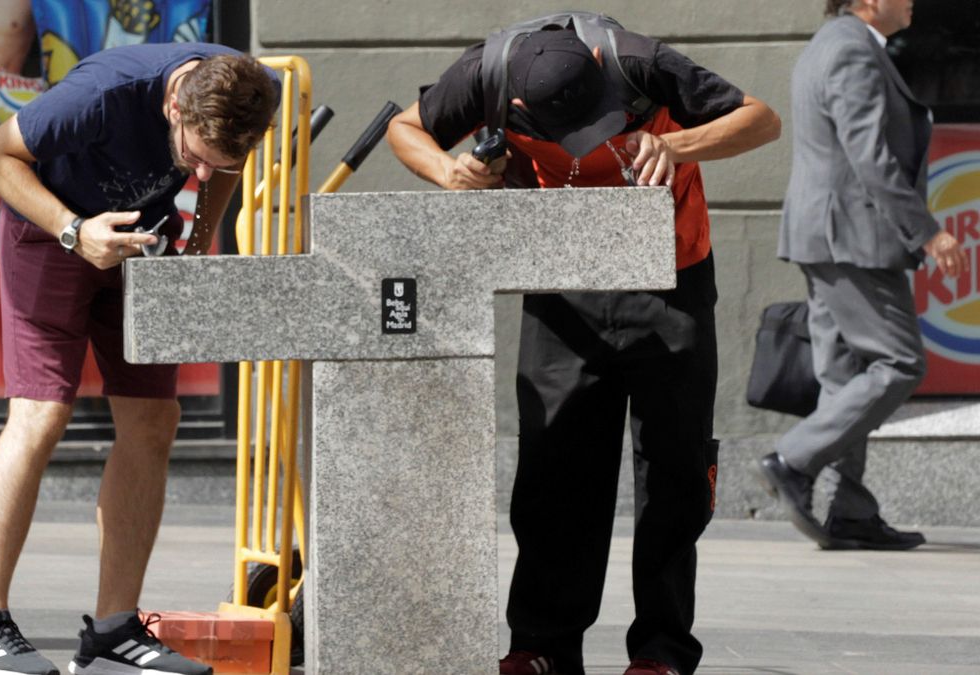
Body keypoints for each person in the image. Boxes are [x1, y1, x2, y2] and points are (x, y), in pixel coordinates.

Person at [386, 12, 780, 675]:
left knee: (674, 472)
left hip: (671, 278)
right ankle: (542, 644)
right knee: (553, 467)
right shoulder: (487, 71)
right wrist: (449, 172)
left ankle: (661, 651)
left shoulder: (636, 60)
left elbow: (761, 118)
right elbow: (407, 128)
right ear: (517, 105)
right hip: (561, 280)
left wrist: (681, 146)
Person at [0, 43, 278, 675]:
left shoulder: (248, 95)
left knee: (154, 420)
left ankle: (114, 632)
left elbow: (224, 171)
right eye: (194, 157)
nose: (202, 173)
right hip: (49, 234)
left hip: (140, 248)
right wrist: (74, 230)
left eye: (217, 161)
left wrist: (195, 248)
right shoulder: (100, 96)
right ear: (175, 104)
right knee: (41, 414)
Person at [759, 0, 965, 551]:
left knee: (844, 378)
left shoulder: (832, 44)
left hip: (829, 235)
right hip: (853, 237)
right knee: (900, 361)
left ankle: (851, 512)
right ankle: (793, 459)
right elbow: (869, 157)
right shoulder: (852, 51)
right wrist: (927, 232)